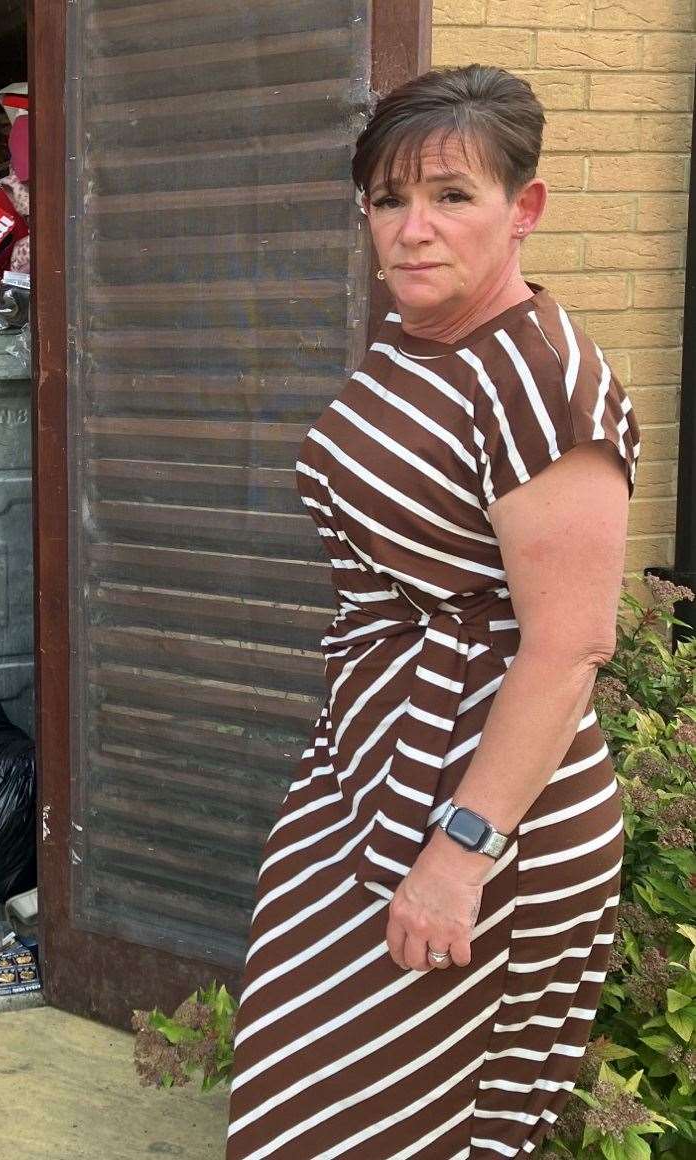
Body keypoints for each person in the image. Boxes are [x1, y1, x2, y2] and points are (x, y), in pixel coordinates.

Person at [224, 64, 639, 1158]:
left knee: (382, 1127)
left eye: (453, 195)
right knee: (296, 1093)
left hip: (483, 806)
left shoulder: (544, 383)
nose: (414, 229)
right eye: (388, 198)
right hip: (373, 765)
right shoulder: (427, 339)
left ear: (525, 210)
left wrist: (460, 855)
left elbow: (569, 645)